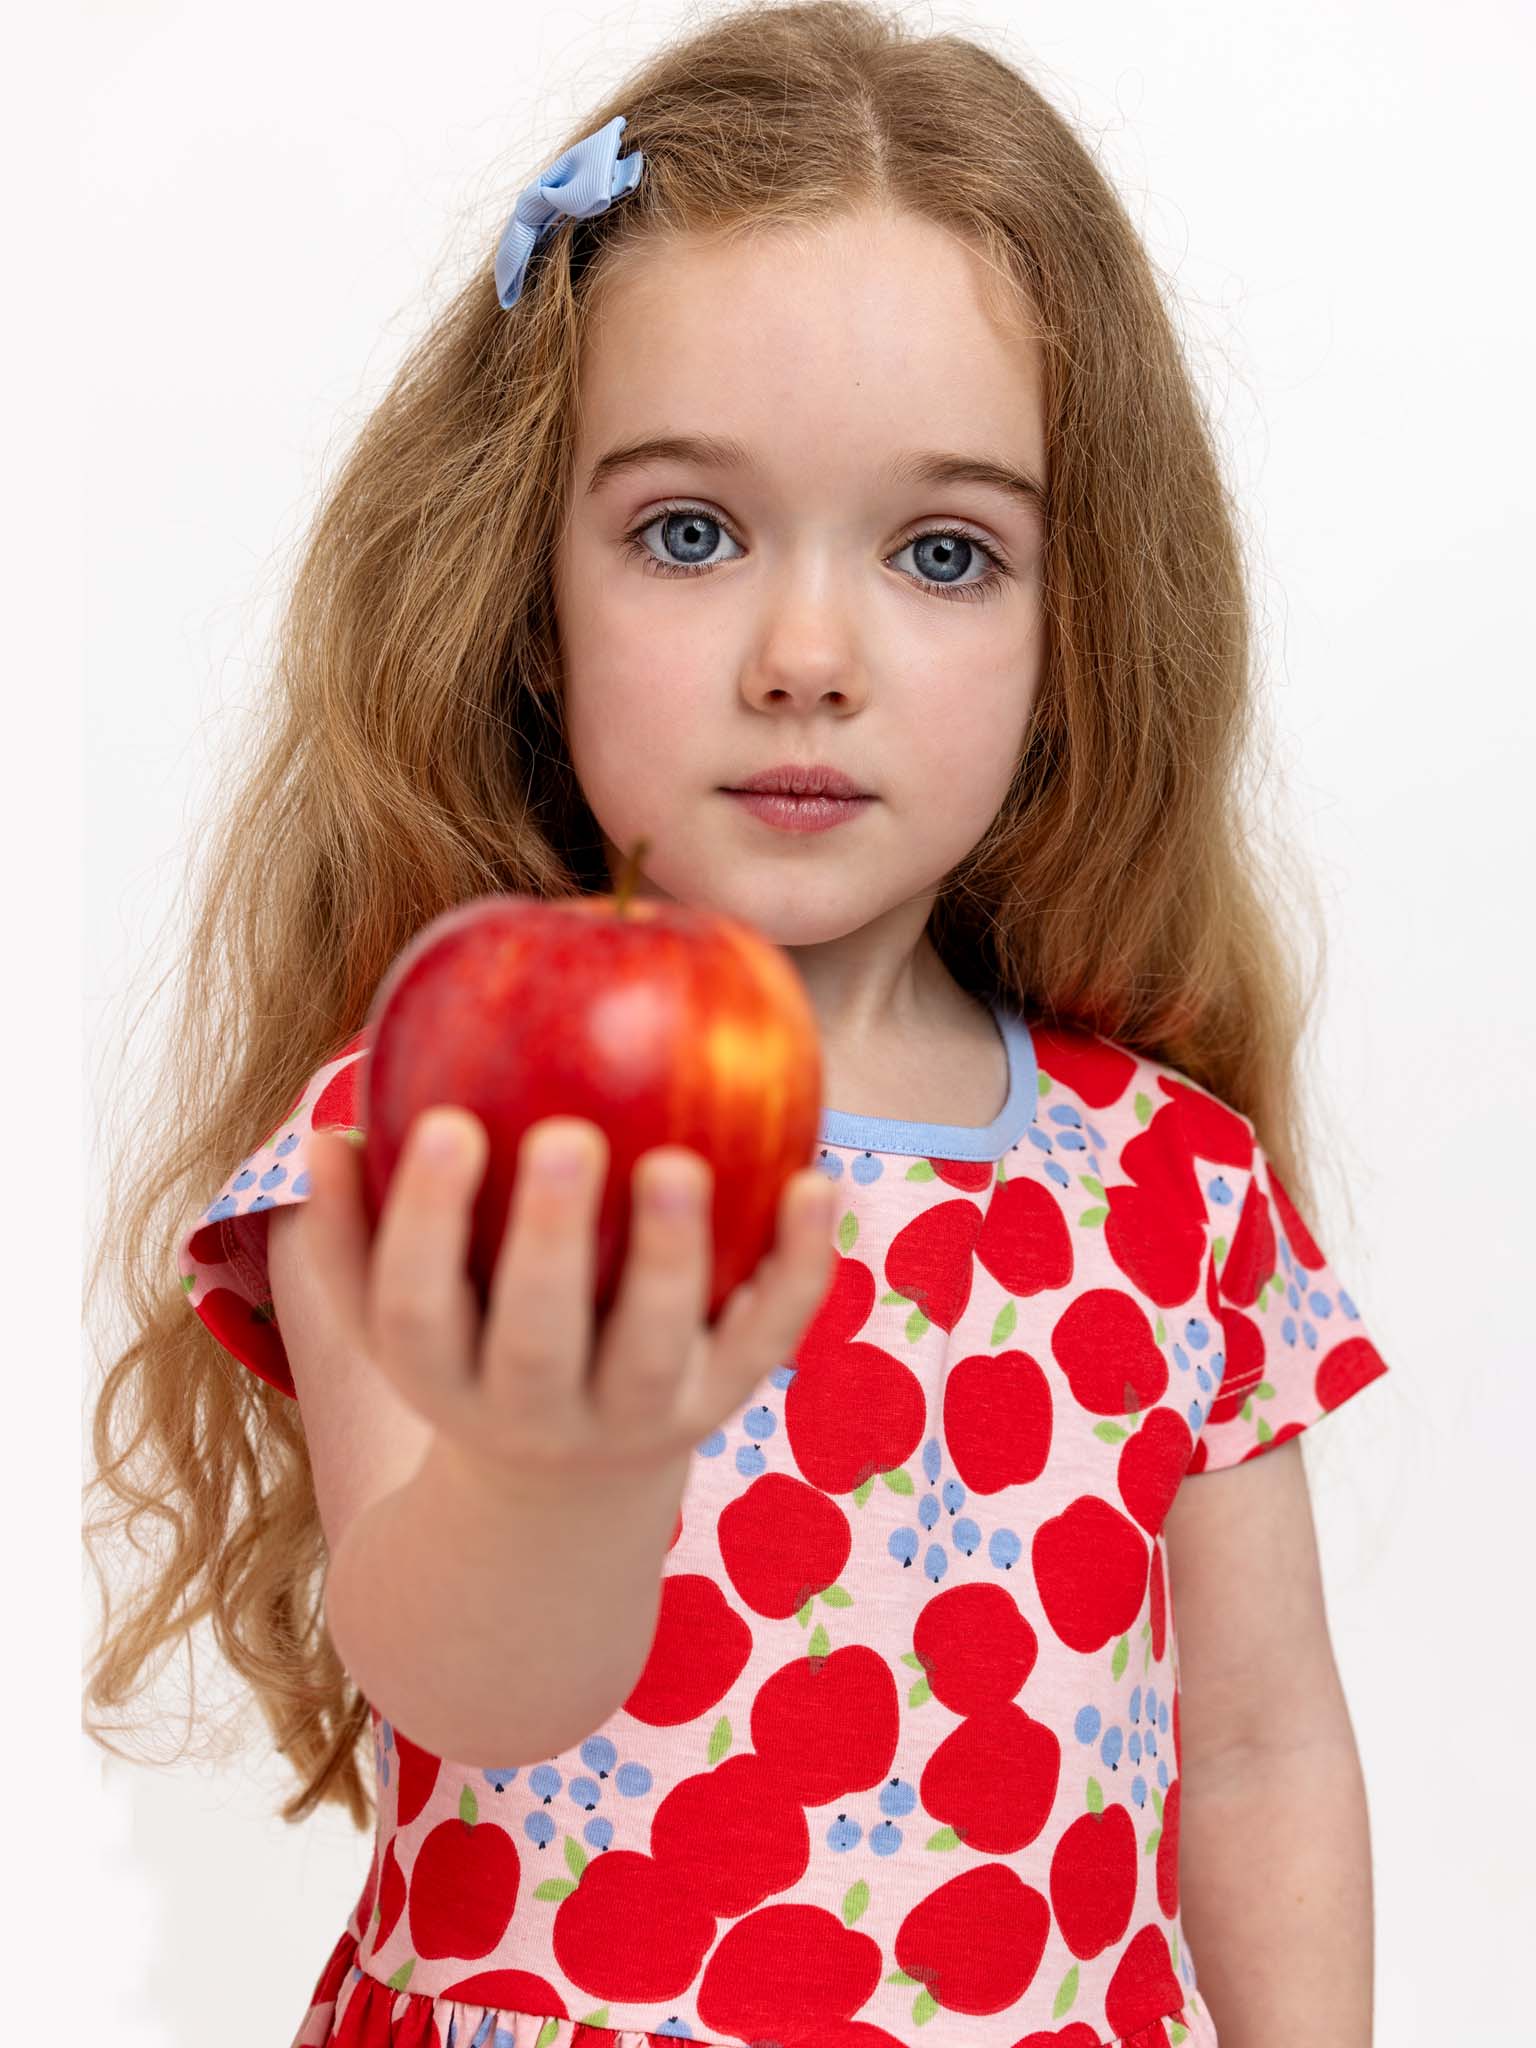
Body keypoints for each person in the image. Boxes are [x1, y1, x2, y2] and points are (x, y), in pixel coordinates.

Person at [82, 5, 1395, 2045]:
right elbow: (465, 1675)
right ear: (533, 596)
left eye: (943, 552)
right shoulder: (435, 1130)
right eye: (688, 533)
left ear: (1077, 632)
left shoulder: (1176, 1195)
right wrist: (568, 1458)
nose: (806, 656)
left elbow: (1256, 1753)